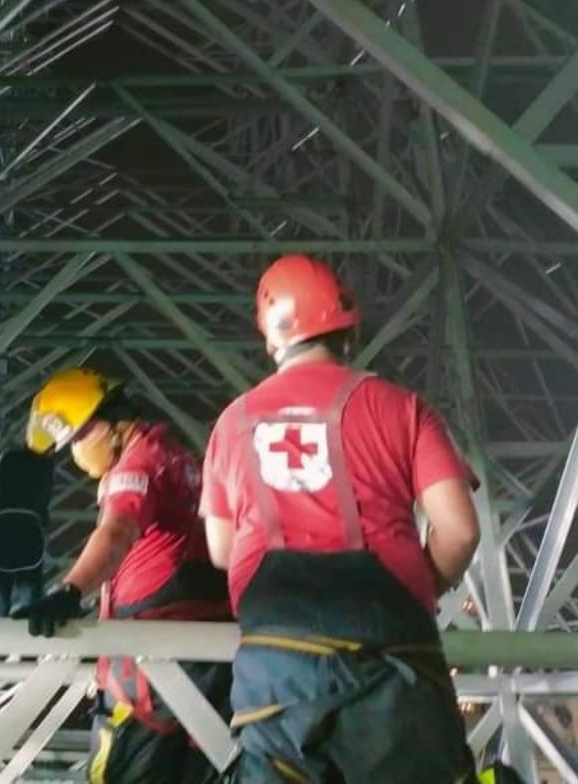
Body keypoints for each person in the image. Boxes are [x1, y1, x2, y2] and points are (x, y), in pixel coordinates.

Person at [200, 255, 481, 783]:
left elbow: (221, 548)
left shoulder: (231, 422)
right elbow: (460, 530)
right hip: (392, 647)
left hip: (278, 655)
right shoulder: (403, 407)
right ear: (348, 332)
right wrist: (421, 585)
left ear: (271, 340)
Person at [15, 367, 234, 784]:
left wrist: (69, 590)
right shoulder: (175, 457)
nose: (76, 450)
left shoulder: (137, 466)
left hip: (151, 668)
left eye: (79, 437)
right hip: (200, 657)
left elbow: (116, 532)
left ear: (112, 422)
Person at [0, 444, 56, 618]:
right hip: (29, 525)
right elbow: (45, 493)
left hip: (4, 523)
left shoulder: (9, 457)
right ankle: (30, 630)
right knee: (30, 586)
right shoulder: (44, 463)